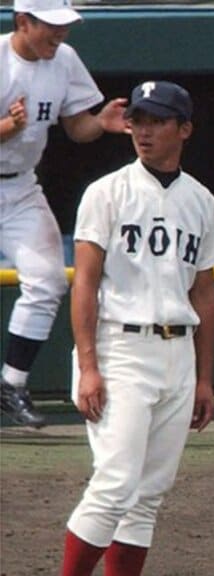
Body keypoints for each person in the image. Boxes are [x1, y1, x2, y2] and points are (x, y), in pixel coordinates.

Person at [49, 81, 214, 576]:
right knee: (117, 480)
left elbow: (204, 292)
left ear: (184, 129)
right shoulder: (107, 193)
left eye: (157, 121)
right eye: (138, 120)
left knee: (149, 489)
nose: (143, 130)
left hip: (176, 351)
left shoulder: (202, 201)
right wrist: (88, 364)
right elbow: (85, 283)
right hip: (119, 347)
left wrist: (204, 378)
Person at [0, 0, 129, 428]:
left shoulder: (64, 59)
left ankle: (11, 385)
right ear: (23, 21)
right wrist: (7, 128)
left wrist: (101, 123)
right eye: (51, 25)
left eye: (65, 25)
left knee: (48, 281)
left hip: (20, 187)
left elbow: (77, 128)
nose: (60, 34)